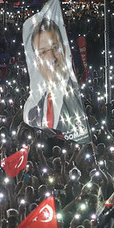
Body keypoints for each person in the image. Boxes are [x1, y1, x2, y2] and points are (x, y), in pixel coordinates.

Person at [24, 14, 89, 143]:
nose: (52, 58)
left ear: (64, 50)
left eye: (55, 48)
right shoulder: (32, 112)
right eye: (43, 52)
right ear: (36, 62)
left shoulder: (79, 97)